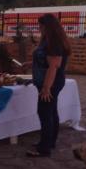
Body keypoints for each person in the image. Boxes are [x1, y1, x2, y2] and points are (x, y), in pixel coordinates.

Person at [26, 13, 71, 158]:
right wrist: (31, 64)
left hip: (51, 82)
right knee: (51, 111)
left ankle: (44, 148)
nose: (40, 29)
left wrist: (46, 88)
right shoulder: (50, 41)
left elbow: (53, 66)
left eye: (41, 26)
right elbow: (46, 62)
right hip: (51, 81)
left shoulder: (54, 43)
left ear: (48, 27)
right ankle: (50, 141)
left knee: (44, 112)